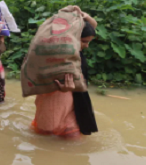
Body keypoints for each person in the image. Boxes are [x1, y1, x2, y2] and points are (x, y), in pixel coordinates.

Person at [31, 11, 98, 140]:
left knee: (74, 136)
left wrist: (84, 15)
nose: (87, 46)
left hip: (76, 99)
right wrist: (62, 88)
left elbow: (92, 25)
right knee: (47, 135)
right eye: (84, 42)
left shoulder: (76, 48)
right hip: (56, 99)